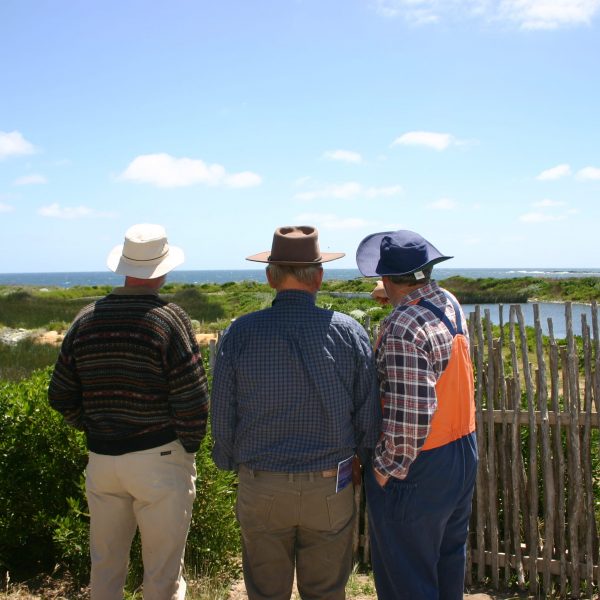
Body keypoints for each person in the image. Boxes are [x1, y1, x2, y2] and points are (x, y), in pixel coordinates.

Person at [211, 225, 380, 600]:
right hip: (330, 486)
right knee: (325, 592)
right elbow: (368, 415)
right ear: (319, 277)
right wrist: (362, 461)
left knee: (265, 592)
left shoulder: (240, 333)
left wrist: (229, 461)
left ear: (270, 277)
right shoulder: (349, 332)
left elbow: (222, 413)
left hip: (261, 482)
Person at [48, 223, 209, 600]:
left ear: (124, 266)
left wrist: (92, 426)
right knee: (162, 574)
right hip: (160, 457)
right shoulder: (169, 319)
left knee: (105, 569)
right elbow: (194, 399)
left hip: (103, 459)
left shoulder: (85, 319)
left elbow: (60, 394)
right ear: (163, 269)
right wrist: (188, 446)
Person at [356, 229, 478, 600]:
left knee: (406, 579)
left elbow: (412, 419)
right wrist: (393, 295)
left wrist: (382, 471)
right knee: (446, 565)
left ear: (387, 277)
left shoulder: (400, 329)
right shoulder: (448, 301)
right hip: (461, 451)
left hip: (416, 465)